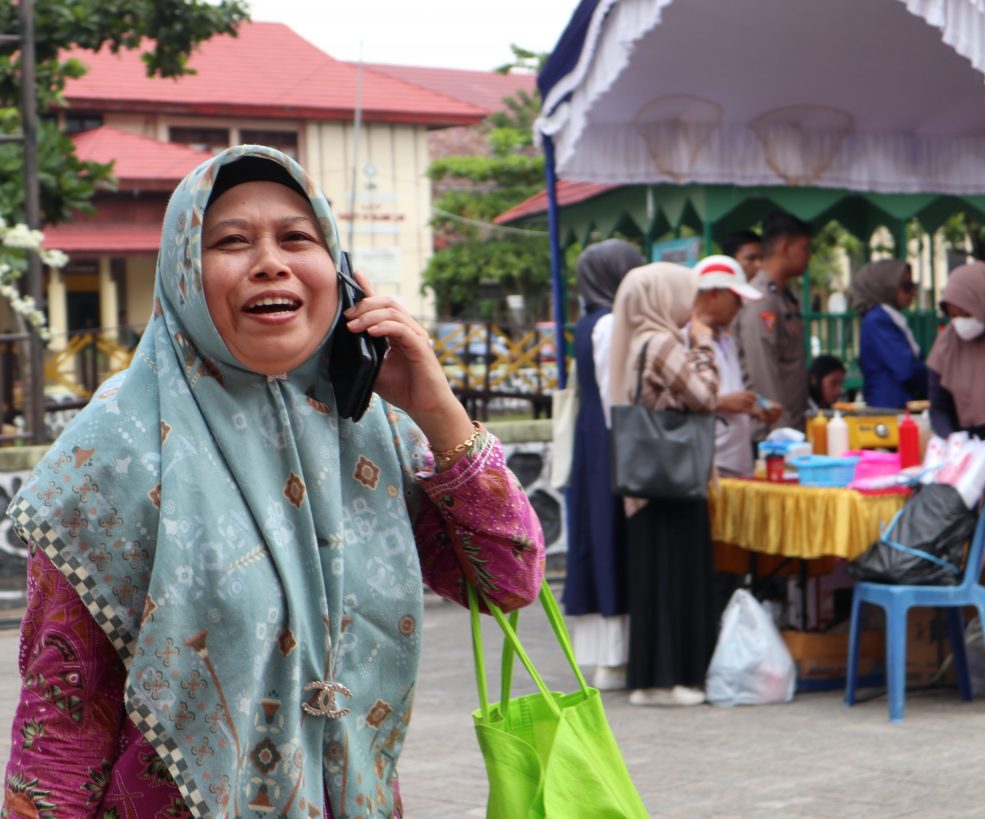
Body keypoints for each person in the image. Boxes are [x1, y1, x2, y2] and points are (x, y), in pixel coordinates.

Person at [2, 146, 544, 818]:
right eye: (231, 241)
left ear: (341, 272)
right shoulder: (111, 452)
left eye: (297, 237)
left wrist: (438, 408)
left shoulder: (377, 426)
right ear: (183, 275)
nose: (270, 261)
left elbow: (505, 582)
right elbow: (62, 722)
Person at [609, 262, 719, 707]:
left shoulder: (638, 341)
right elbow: (706, 396)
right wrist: (706, 348)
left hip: (649, 483)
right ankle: (668, 681)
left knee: (654, 577)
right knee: (675, 575)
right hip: (672, 481)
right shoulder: (661, 343)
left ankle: (653, 678)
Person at [563, 239, 644, 692]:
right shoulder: (612, 323)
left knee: (598, 536)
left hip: (592, 441)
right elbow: (618, 398)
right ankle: (616, 657)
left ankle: (607, 657)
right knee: (613, 537)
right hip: (612, 443)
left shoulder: (588, 320)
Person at [690, 255, 776, 477]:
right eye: (736, 297)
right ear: (714, 293)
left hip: (737, 460)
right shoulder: (682, 338)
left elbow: (729, 391)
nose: (740, 305)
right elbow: (674, 404)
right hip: (707, 463)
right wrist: (724, 402)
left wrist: (753, 407)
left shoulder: (726, 339)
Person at [735, 212, 812, 436]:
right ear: (785, 247)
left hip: (790, 428)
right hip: (772, 434)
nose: (809, 256)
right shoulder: (760, 300)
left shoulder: (783, 297)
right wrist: (781, 431)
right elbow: (762, 370)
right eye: (804, 248)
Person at [927, 262, 985, 443]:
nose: (961, 323)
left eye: (966, 314)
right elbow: (939, 407)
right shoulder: (945, 347)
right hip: (966, 454)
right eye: (953, 316)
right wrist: (950, 437)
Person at [852, 259, 926, 408]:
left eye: (912, 286)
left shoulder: (891, 317)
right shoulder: (877, 320)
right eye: (906, 287)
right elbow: (906, 368)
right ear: (886, 287)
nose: (912, 292)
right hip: (889, 408)